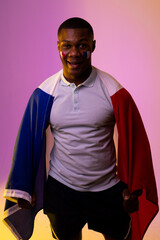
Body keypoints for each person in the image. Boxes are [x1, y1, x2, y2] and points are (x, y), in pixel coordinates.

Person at [3, 17, 158, 240]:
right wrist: (24, 187)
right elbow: (26, 142)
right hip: (62, 188)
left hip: (107, 189)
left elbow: (136, 141)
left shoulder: (113, 91)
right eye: (67, 46)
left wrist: (133, 188)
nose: (74, 52)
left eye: (82, 45)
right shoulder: (45, 93)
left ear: (93, 46)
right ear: (58, 47)